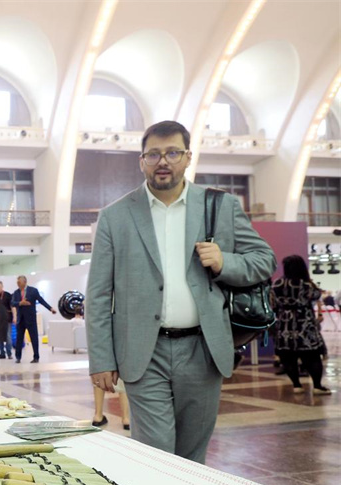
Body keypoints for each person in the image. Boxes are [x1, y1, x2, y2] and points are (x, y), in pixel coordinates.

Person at [86, 120, 276, 464]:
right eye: (153, 154)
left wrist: (225, 262)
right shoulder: (115, 217)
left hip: (203, 350)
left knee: (192, 455)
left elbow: (264, 260)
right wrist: (101, 359)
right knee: (157, 453)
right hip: (145, 352)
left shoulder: (220, 207)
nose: (163, 161)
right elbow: (98, 294)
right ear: (141, 161)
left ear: (188, 157)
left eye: (173, 152)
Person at [271, 255, 331, 395]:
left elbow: (273, 304)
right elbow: (316, 296)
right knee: (313, 356)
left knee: (288, 356)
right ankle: (317, 385)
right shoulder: (306, 285)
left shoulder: (277, 284)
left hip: (284, 325)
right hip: (304, 324)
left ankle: (296, 385)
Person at [11, 275, 57, 363]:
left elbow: (41, 300)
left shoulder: (33, 291)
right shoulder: (16, 293)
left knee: (34, 338)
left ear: (24, 282)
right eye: (17, 282)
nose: (17, 284)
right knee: (19, 338)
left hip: (31, 318)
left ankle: (36, 357)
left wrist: (50, 308)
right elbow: (12, 303)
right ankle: (18, 357)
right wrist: (21, 303)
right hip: (20, 319)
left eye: (19, 282)